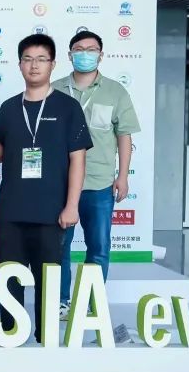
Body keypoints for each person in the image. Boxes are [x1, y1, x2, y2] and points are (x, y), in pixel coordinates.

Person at [0, 34, 91, 343]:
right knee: (9, 279)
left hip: (51, 211)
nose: (34, 65)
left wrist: (71, 206)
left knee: (48, 280)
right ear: (19, 64)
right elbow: (2, 155)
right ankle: (11, 335)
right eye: (28, 59)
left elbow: (78, 159)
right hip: (10, 211)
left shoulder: (68, 107)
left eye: (41, 59)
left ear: (53, 64)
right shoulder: (9, 108)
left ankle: (45, 338)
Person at [52, 31, 140, 319]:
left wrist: (123, 176)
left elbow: (124, 135)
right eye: (79, 49)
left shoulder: (116, 91)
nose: (85, 54)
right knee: (59, 248)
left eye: (91, 50)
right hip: (60, 183)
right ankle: (61, 302)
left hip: (99, 182)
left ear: (101, 55)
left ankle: (92, 303)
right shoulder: (54, 89)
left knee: (99, 247)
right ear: (69, 55)